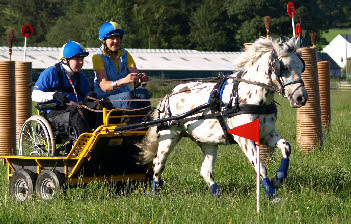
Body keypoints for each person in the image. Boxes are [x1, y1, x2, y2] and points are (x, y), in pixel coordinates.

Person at [32, 40, 96, 136]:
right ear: (65, 60)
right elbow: (35, 96)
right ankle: (85, 144)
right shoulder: (51, 72)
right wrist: (54, 95)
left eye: (82, 59)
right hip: (53, 114)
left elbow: (87, 99)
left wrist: (92, 98)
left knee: (98, 107)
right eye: (77, 59)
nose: (81, 62)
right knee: (76, 112)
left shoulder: (81, 77)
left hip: (76, 111)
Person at [92, 21, 150, 110]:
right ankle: (131, 122)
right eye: (112, 38)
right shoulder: (98, 57)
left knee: (143, 92)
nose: (116, 41)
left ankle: (147, 120)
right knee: (127, 97)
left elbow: (135, 78)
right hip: (105, 98)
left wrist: (140, 79)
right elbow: (104, 87)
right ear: (104, 40)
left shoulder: (126, 54)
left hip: (126, 95)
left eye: (118, 37)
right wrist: (123, 81)